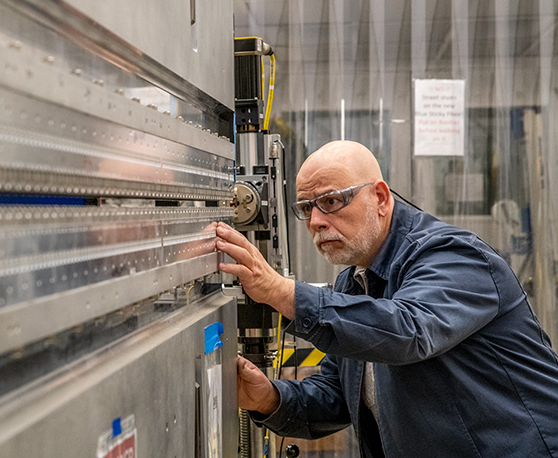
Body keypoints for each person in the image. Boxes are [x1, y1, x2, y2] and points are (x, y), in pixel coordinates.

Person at [216, 140, 558, 457]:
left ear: (380, 198)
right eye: (307, 208)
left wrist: (280, 292)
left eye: (332, 201)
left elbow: (408, 330)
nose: (317, 221)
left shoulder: (454, 256)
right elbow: (337, 395)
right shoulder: (354, 281)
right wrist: (268, 398)